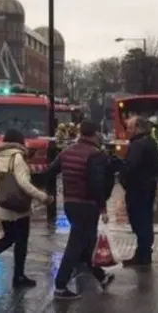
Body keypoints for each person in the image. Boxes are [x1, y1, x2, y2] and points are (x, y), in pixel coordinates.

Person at [0, 129, 53, 288]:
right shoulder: (17, 157)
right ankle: (13, 274)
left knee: (9, 238)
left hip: (2, 202)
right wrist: (43, 197)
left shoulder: (0, 155)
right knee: (20, 241)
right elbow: (23, 183)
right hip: (17, 205)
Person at [46, 120, 115, 300]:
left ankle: (101, 276)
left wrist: (55, 191)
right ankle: (60, 286)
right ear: (94, 135)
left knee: (87, 242)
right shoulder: (95, 155)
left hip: (70, 203)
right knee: (76, 245)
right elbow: (96, 184)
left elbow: (50, 172)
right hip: (87, 205)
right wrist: (103, 207)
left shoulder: (66, 152)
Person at [120, 116, 158, 266]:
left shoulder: (138, 145)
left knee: (139, 221)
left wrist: (123, 178)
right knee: (146, 220)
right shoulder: (150, 142)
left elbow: (131, 166)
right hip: (148, 185)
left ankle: (142, 256)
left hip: (137, 188)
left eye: (130, 127)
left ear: (138, 128)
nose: (127, 131)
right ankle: (143, 253)